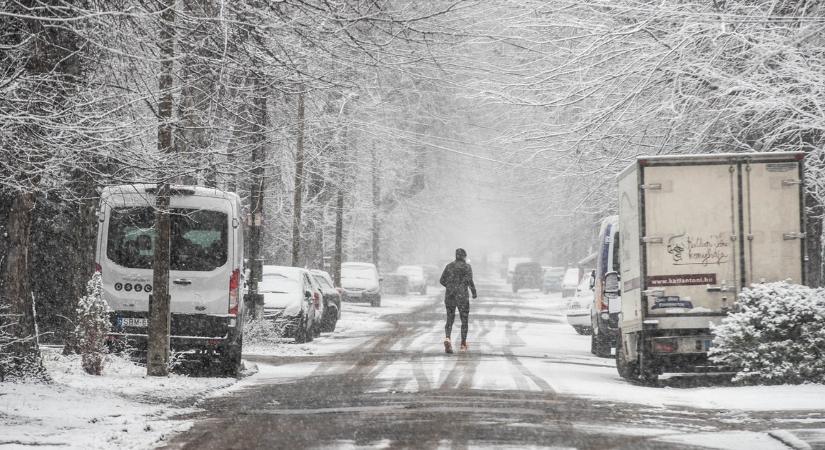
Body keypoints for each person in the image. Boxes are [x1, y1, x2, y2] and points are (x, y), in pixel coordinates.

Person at [439, 248, 477, 354]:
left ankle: (447, 338)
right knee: (464, 320)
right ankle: (463, 344)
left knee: (449, 319)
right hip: (462, 297)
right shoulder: (467, 267)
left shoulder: (449, 266)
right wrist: (473, 292)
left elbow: (441, 280)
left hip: (450, 296)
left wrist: (450, 287)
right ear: (464, 256)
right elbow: (470, 281)